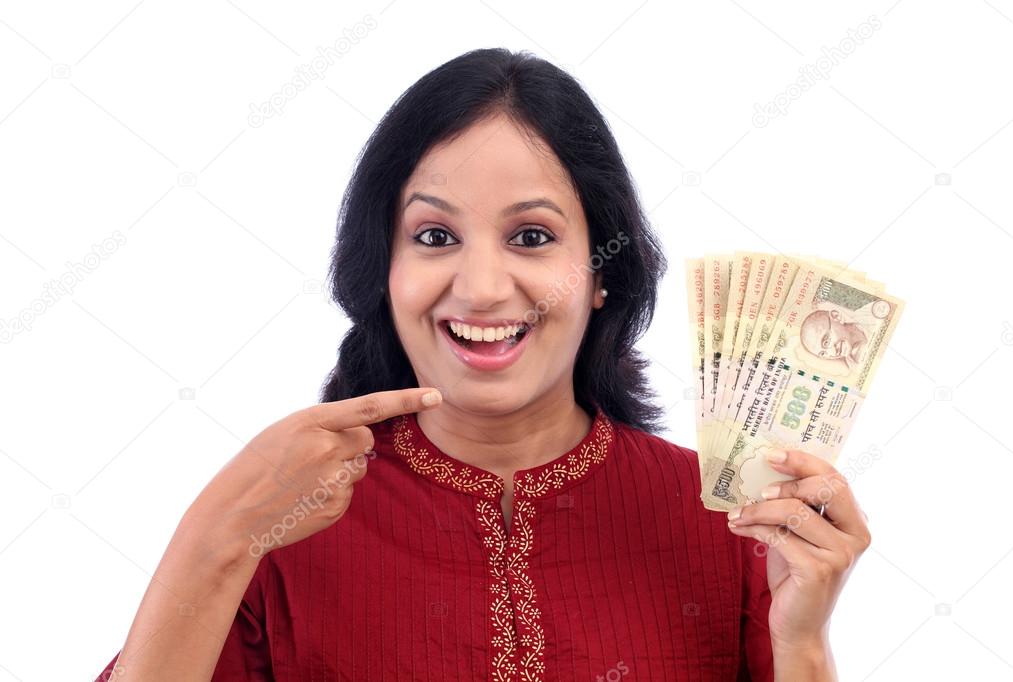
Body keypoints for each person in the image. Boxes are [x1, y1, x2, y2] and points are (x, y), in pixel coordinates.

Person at [95, 47, 870, 681]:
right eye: (434, 237)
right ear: (382, 269)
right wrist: (213, 540)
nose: (483, 287)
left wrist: (802, 641)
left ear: (602, 272)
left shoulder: (731, 521)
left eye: (531, 237)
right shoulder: (282, 515)